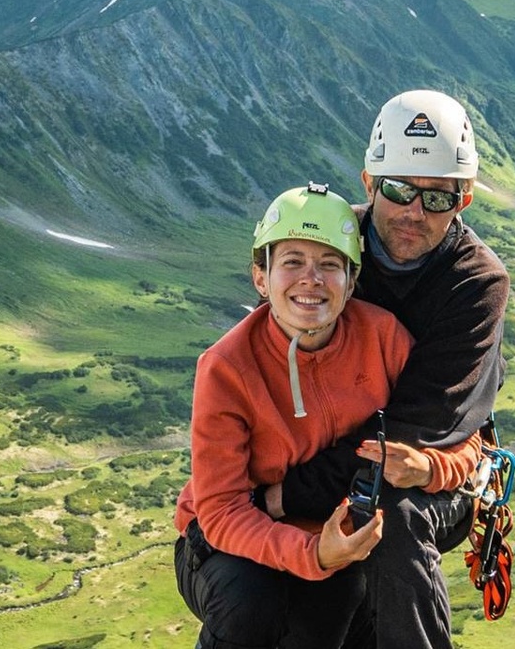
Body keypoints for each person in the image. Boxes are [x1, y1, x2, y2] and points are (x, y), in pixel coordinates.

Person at [173, 182, 478, 649]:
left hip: (334, 537)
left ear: (352, 282)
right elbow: (220, 509)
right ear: (261, 276)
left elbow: (460, 434)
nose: (311, 280)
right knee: (250, 605)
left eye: (329, 265)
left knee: (333, 618)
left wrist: (430, 467)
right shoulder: (227, 367)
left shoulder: (384, 339)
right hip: (229, 540)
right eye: (292, 261)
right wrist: (311, 553)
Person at [265, 89, 510, 649]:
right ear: (369, 182)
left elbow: (399, 442)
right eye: (399, 190)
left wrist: (282, 495)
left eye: (437, 199)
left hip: (430, 471)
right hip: (320, 456)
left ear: (464, 200)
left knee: (391, 513)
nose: (413, 213)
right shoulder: (326, 249)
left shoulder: (474, 284)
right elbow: (266, 363)